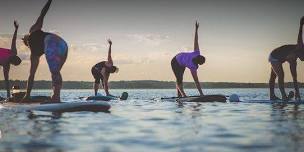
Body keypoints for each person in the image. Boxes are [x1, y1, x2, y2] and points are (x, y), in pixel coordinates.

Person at [22, 0, 68, 102]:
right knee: (56, 72)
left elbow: (43, 13)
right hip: (63, 44)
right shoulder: (35, 53)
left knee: (55, 72)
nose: (24, 39)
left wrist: (27, 95)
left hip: (52, 41)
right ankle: (56, 97)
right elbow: (42, 14)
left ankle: (56, 97)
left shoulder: (32, 31)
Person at [269, 16, 304, 101]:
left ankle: (272, 96)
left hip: (280, 58)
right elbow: (300, 34)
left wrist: (297, 93)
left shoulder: (293, 62)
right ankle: (283, 96)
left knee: (274, 76)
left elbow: (294, 78)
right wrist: (301, 24)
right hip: (274, 56)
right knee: (281, 75)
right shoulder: (300, 46)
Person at [171, 21, 206, 97]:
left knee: (180, 78)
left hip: (182, 61)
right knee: (179, 78)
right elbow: (196, 81)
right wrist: (201, 94)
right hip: (175, 61)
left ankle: (179, 96)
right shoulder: (193, 66)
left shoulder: (197, 53)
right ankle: (183, 95)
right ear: (199, 63)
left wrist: (196, 29)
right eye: (202, 64)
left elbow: (196, 40)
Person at [0, 21, 21, 98]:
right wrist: (16, 30)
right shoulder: (13, 52)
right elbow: (14, 40)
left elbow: (6, 80)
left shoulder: (6, 65)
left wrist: (8, 95)